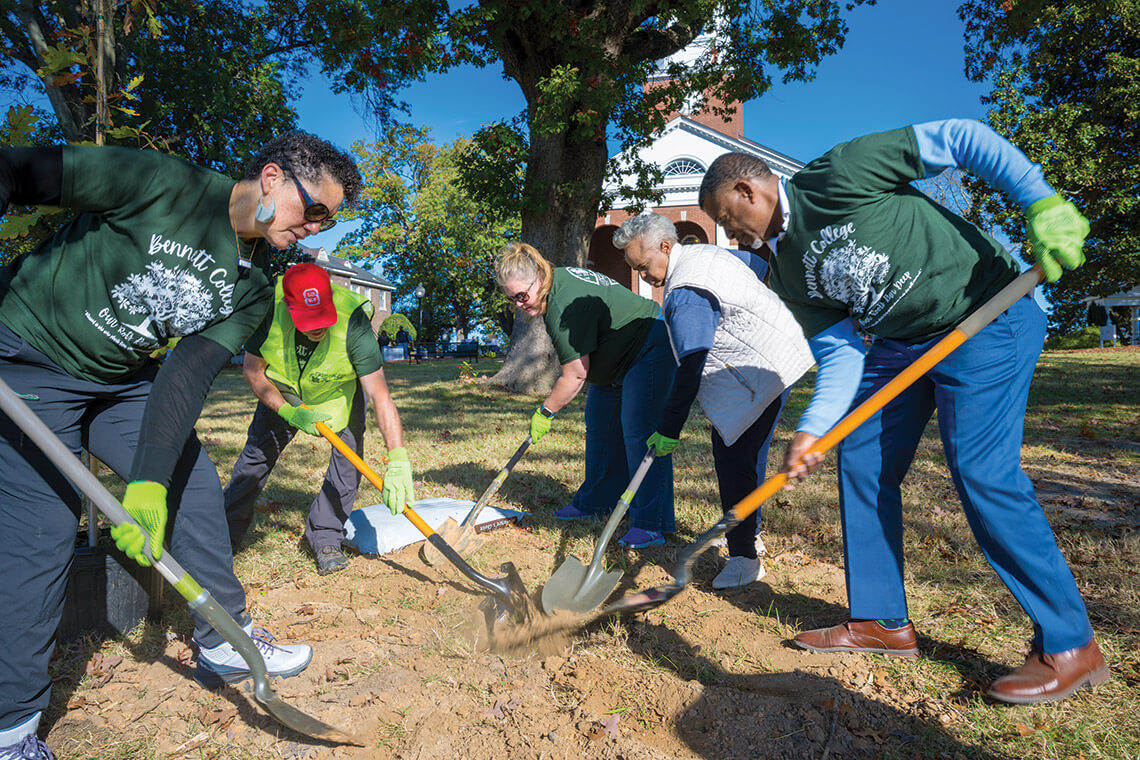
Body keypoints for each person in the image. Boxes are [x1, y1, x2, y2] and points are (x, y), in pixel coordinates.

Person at [698, 118, 1104, 704]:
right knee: (861, 458)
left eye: (730, 221)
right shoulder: (784, 272)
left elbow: (962, 138)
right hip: (899, 346)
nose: (733, 237)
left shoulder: (838, 174)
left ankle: (1071, 645)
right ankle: (882, 622)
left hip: (986, 314)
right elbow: (840, 355)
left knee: (983, 473)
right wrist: (814, 429)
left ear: (747, 192)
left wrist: (1041, 202)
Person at [0, 131, 361, 757]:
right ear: (272, 178)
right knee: (41, 533)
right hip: (31, 360)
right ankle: (12, 727)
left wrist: (147, 479)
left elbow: (188, 371)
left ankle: (224, 641)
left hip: (121, 381)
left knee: (191, 486)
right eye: (316, 210)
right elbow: (19, 171)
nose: (318, 229)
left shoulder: (253, 284)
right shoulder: (164, 185)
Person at [613, 213, 813, 587]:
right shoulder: (707, 254)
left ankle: (744, 559)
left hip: (754, 374)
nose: (643, 276)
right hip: (776, 356)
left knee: (733, 459)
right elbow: (755, 265)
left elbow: (691, 364)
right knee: (746, 455)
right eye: (636, 270)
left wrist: (669, 427)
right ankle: (747, 533)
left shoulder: (684, 294)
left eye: (643, 266)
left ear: (665, 247)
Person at [224, 262, 414, 575]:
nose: (318, 326)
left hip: (337, 392)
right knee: (254, 460)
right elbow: (252, 371)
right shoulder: (267, 310)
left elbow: (380, 395)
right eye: (308, 319)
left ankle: (326, 536)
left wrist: (398, 458)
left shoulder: (353, 321)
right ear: (288, 304)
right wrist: (287, 411)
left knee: (348, 464)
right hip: (284, 390)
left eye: (322, 316)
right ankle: (224, 535)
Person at [495, 243, 676, 547]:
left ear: (539, 277)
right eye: (511, 298)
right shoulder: (556, 282)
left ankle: (651, 523)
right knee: (600, 427)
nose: (519, 305)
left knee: (639, 432)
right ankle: (596, 501)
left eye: (522, 296)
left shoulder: (561, 302)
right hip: (614, 360)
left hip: (650, 345)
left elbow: (576, 374)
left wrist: (545, 411)